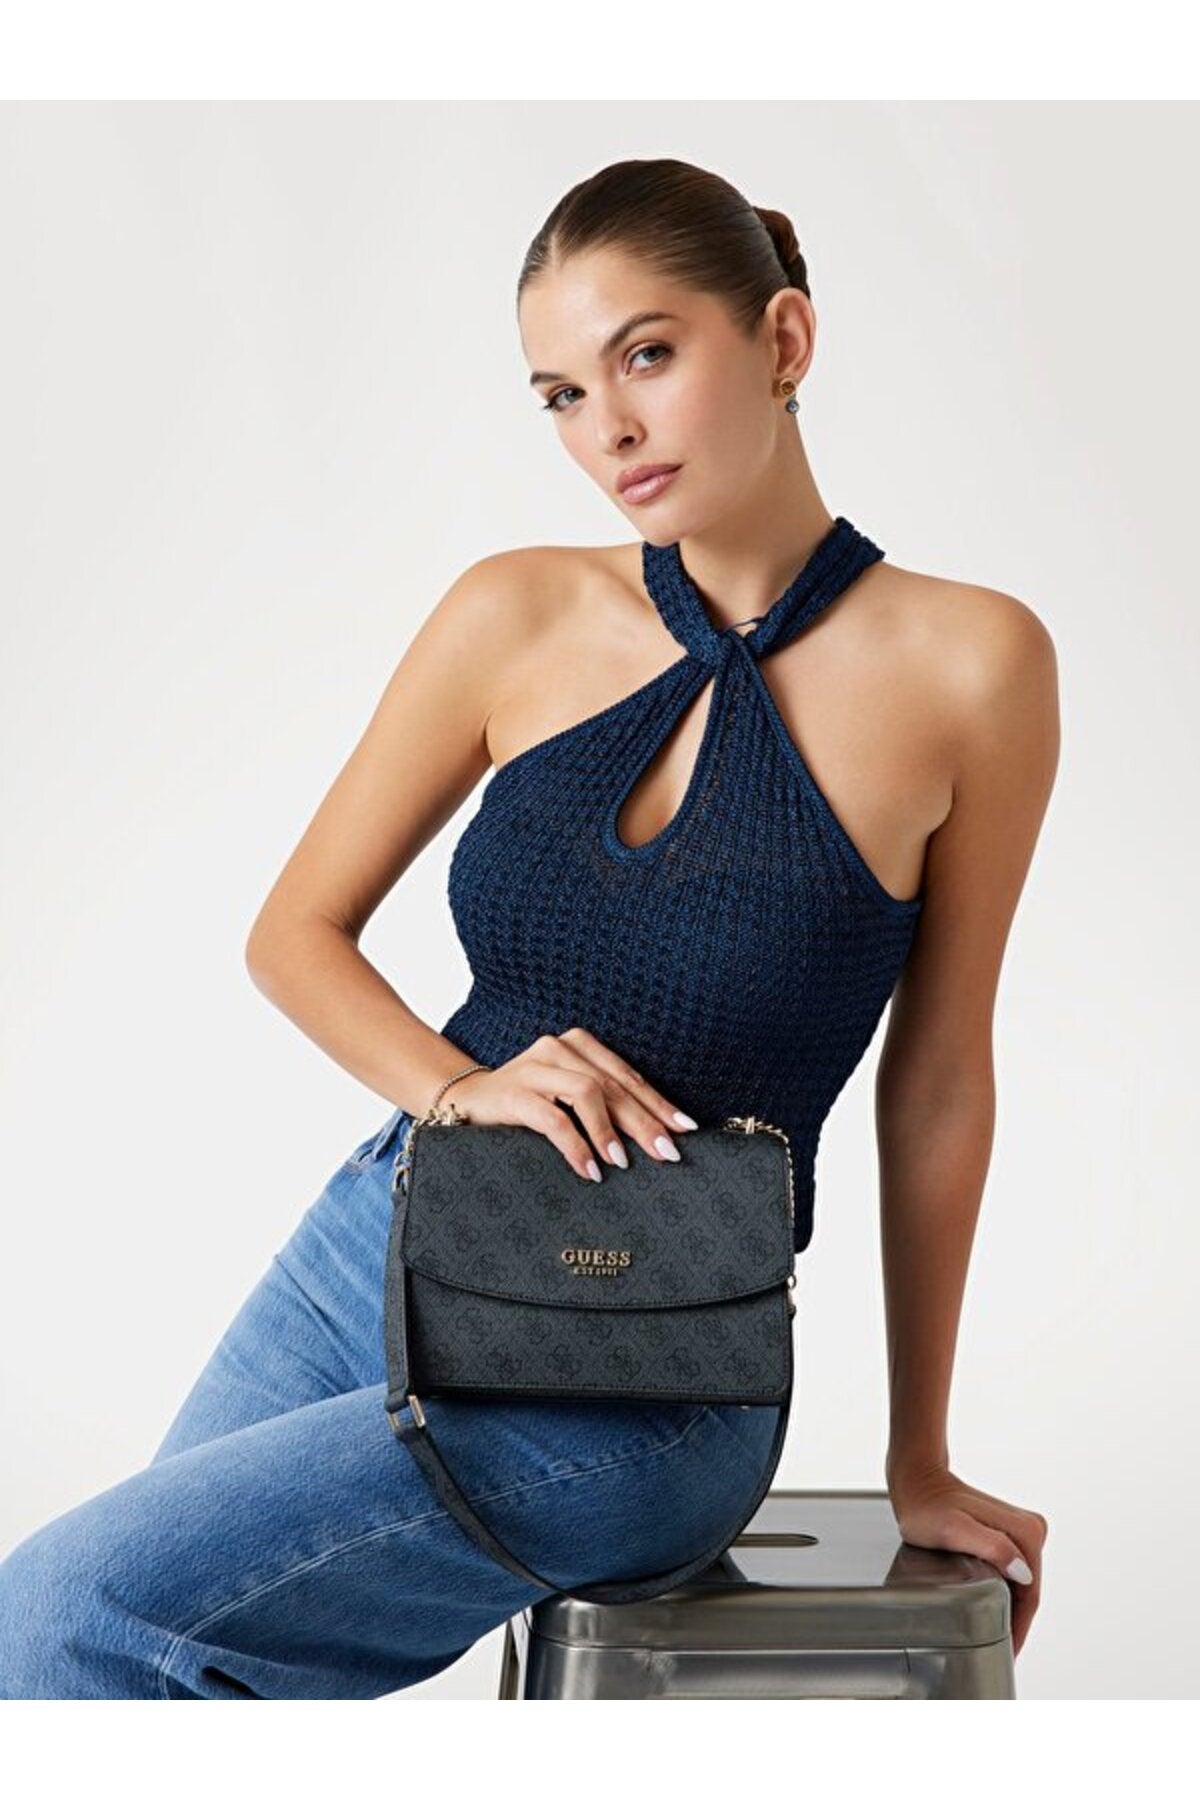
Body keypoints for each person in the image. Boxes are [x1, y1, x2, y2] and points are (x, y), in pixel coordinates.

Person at [0, 155, 1057, 1698]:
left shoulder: (973, 666)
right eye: (561, 393)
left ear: (782, 339)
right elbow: (295, 932)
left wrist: (922, 1455)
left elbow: (942, 1076)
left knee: (60, 1620)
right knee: (83, 1672)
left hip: (653, 1375)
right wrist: (458, 1088)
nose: (606, 428)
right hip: (390, 1238)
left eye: (647, 355)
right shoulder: (513, 613)